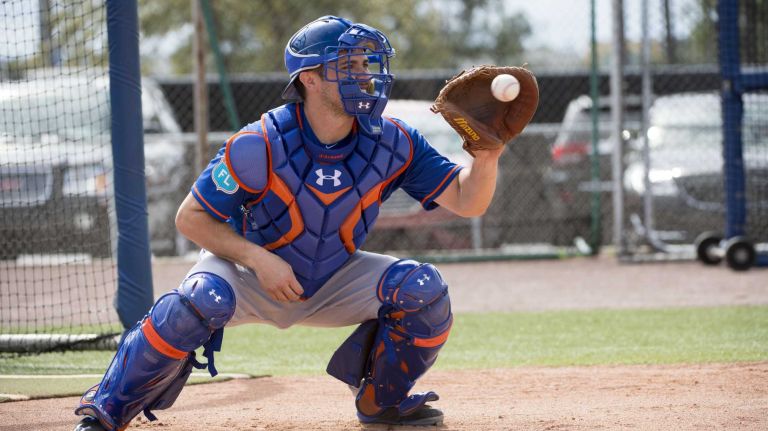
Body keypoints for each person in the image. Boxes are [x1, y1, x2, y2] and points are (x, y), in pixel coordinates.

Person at [74, 15, 505, 430]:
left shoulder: (394, 140)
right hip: (249, 272)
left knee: (423, 292)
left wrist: (486, 158)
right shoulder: (259, 142)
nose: (364, 75)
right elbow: (190, 218)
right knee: (196, 300)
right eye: (347, 64)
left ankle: (382, 403)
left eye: (364, 64)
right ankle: (106, 411)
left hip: (334, 273)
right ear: (310, 78)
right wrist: (257, 259)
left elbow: (468, 201)